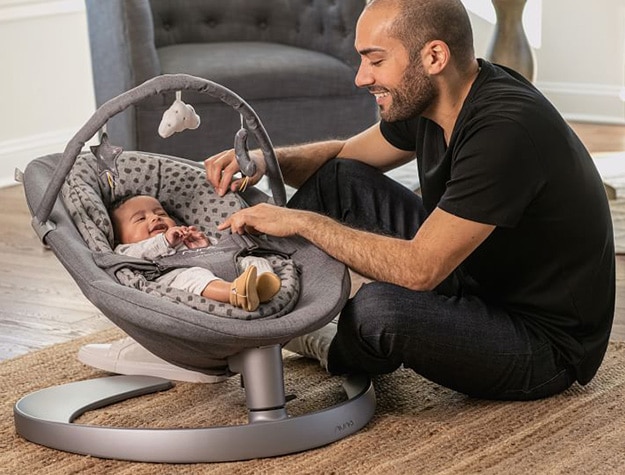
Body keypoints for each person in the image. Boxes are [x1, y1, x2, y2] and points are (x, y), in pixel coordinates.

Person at [204, 0, 615, 400]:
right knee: (338, 179)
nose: (361, 78)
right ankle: (242, 292)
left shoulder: (505, 130)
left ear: (434, 56)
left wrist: (304, 223)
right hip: (475, 275)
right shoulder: (442, 97)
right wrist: (263, 159)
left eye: (376, 60)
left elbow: (420, 271)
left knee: (376, 310)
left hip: (543, 342)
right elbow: (344, 156)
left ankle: (327, 344)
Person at [110, 194, 281, 311]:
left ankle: (262, 286)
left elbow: (223, 251)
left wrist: (205, 246)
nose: (155, 218)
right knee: (194, 275)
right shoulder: (125, 249)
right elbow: (129, 257)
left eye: (160, 213)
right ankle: (235, 293)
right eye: (141, 219)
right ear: (121, 237)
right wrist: (164, 241)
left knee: (252, 260)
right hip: (180, 276)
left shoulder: (184, 238)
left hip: (223, 269)